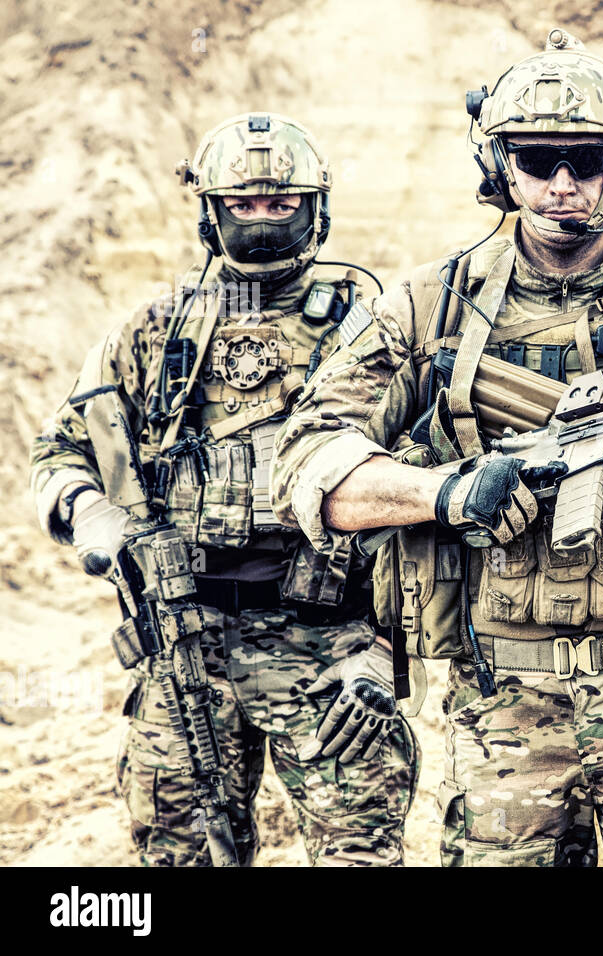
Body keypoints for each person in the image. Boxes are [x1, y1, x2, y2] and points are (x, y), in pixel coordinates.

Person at [272, 30, 603, 866]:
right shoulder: (429, 312)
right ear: (500, 169)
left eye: (588, 161)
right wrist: (448, 494)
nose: (563, 185)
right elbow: (310, 469)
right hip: (502, 707)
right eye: (536, 160)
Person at [30, 112, 418, 866]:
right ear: (211, 210)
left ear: (317, 209)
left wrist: (382, 650)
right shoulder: (153, 333)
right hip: (186, 646)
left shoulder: (373, 332)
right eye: (243, 204)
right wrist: (92, 512)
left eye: (282, 204)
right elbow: (62, 448)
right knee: (179, 857)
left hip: (332, 645)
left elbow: (420, 495)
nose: (264, 222)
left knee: (359, 856)